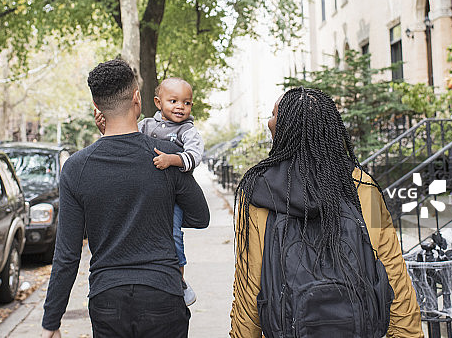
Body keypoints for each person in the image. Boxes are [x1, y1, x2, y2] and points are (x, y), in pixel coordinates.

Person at [230, 88, 423, 338]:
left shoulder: (257, 191)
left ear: (285, 127)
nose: (269, 121)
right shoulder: (361, 186)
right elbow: (392, 271)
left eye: (273, 114)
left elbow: (249, 285)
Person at [41, 59, 210, 338]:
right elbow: (200, 217)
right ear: (137, 98)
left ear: (97, 108)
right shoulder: (166, 155)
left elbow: (67, 254)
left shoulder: (76, 167)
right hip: (163, 294)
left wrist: (51, 322)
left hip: (108, 298)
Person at [97, 77, 205, 306]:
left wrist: (171, 159)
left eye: (186, 103)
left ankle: (180, 281)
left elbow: (194, 157)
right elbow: (126, 139)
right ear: (158, 102)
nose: (180, 107)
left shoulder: (188, 131)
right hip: (147, 191)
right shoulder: (146, 125)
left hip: (173, 195)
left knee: (174, 234)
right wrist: (106, 129)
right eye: (173, 100)